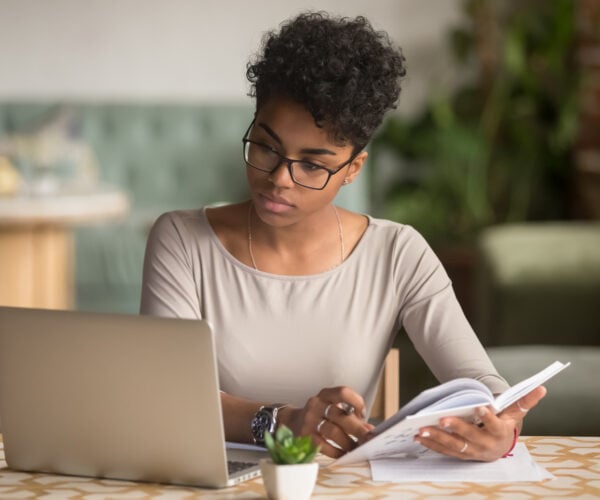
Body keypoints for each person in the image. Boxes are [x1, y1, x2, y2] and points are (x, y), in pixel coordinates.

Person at [140, 11, 545, 461]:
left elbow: (479, 380)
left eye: (312, 164)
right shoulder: (181, 239)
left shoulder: (397, 253)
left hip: (341, 485)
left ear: (353, 168)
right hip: (212, 482)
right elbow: (166, 392)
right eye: (266, 146)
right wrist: (281, 422)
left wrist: (501, 427)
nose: (279, 178)